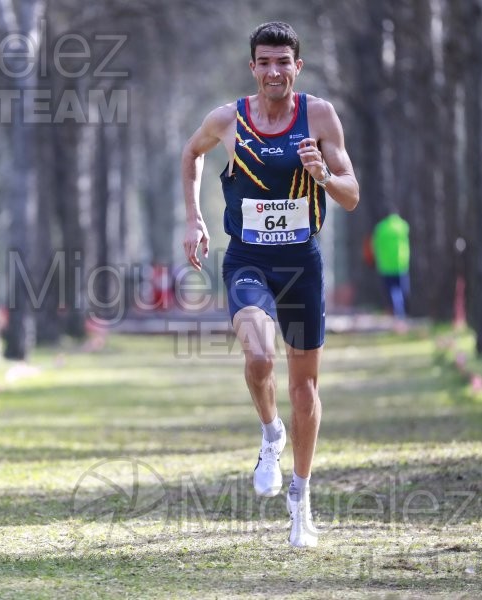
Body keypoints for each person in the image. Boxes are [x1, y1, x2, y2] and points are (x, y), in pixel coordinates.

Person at [180, 21, 359, 548]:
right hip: (247, 262)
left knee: (305, 391)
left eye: (284, 62)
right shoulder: (229, 119)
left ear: (296, 67)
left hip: (302, 265)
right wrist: (194, 219)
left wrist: (324, 176)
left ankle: (301, 500)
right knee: (258, 357)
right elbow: (192, 154)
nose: (275, 71)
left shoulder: (319, 116)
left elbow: (351, 196)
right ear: (252, 66)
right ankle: (269, 433)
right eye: (265, 62)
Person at [371, 213, 410, 324]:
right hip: (401, 263)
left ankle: (397, 313)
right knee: (401, 290)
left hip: (385, 265)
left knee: (392, 290)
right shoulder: (402, 226)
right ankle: (400, 313)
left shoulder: (380, 228)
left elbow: (375, 245)